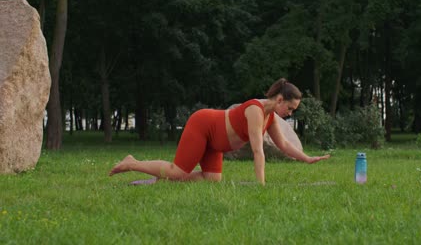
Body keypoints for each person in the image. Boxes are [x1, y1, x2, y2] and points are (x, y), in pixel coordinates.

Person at [109, 78, 330, 185]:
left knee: (212, 179)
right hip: (203, 125)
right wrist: (262, 186)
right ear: (280, 99)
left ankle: (164, 179)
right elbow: (257, 150)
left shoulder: (270, 116)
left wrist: (307, 158)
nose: (290, 113)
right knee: (178, 171)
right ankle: (131, 163)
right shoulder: (255, 110)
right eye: (290, 108)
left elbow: (284, 145)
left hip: (216, 143)